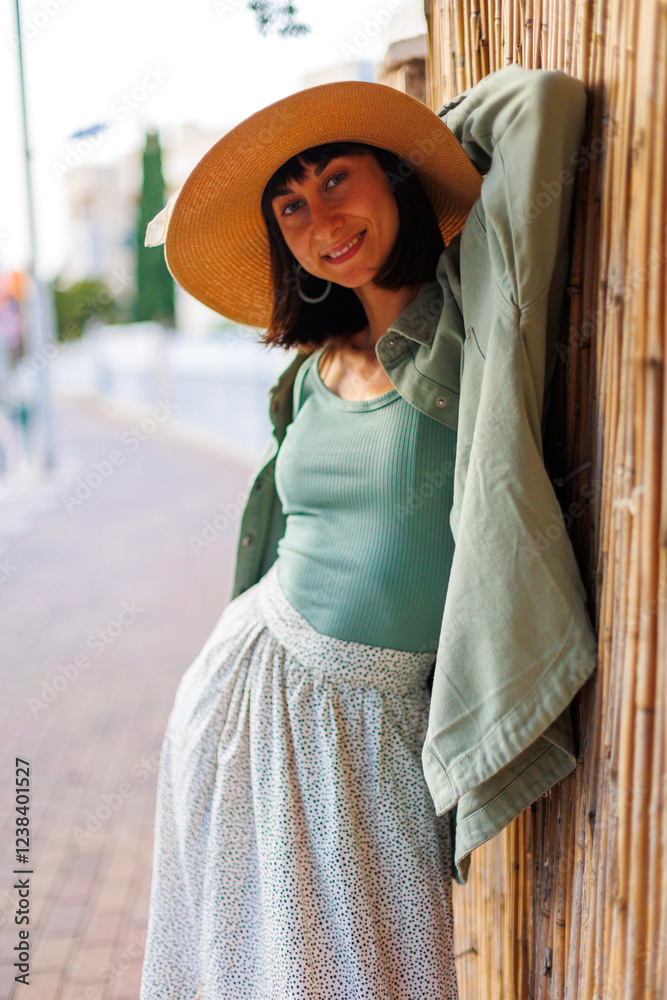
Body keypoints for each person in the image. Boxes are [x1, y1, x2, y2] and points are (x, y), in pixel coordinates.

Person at [139, 65, 598, 1000]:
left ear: (392, 175)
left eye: (337, 176)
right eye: (291, 207)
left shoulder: (466, 326)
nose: (321, 220)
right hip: (241, 708)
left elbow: (542, 104)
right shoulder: (314, 370)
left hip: (368, 736)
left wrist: (423, 141)